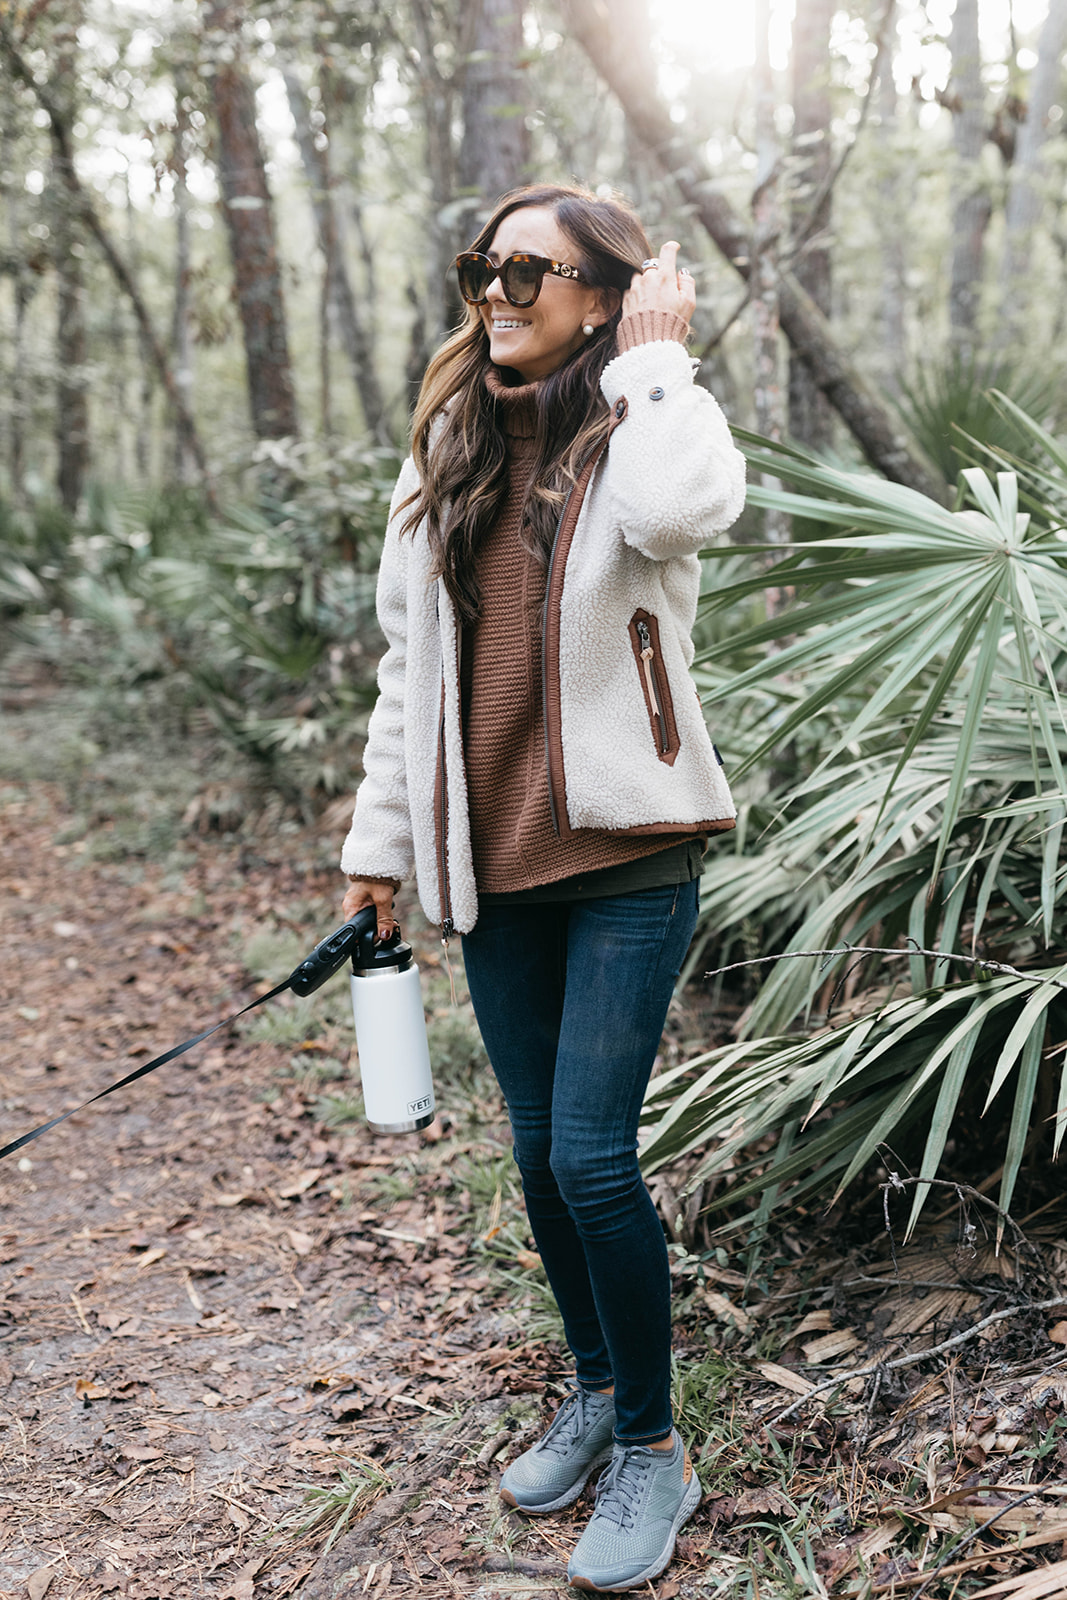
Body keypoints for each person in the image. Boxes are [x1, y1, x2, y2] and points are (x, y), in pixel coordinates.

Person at [341, 183, 745, 1593]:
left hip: (631, 862)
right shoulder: (446, 448)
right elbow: (408, 673)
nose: (500, 292)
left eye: (534, 270)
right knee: (532, 1153)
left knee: (589, 1156)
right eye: (484, 266)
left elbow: (688, 512)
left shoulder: (642, 425)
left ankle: (653, 1445)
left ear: (601, 294)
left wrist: (655, 357)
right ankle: (590, 1386)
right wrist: (379, 847)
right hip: (493, 866)